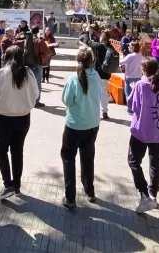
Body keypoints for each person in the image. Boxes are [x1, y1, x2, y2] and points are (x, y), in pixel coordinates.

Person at [0, 45, 38, 199]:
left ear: (7, 57)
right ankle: (16, 185)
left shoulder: (2, 73)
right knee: (18, 152)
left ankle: (8, 184)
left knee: (1, 151)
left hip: (4, 118)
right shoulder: (29, 73)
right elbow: (35, 94)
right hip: (23, 118)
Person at [127, 58, 159, 214]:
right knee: (155, 163)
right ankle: (153, 193)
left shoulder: (140, 85)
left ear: (144, 70)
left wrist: (132, 89)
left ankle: (144, 193)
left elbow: (133, 107)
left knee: (133, 161)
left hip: (142, 131)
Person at [60, 48, 102, 209]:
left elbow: (67, 100)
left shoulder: (73, 78)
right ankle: (89, 190)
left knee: (68, 157)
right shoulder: (96, 76)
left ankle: (70, 197)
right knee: (88, 156)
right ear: (92, 61)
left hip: (74, 124)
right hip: (92, 124)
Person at [94, 32, 116, 120]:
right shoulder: (111, 47)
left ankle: (96, 112)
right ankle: (105, 111)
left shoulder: (100, 47)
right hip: (107, 73)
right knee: (104, 93)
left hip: (99, 73)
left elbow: (89, 43)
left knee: (96, 93)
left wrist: (89, 33)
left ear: (102, 38)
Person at [120, 42, 143, 115]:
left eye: (129, 46)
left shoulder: (130, 56)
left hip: (130, 77)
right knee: (136, 93)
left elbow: (121, 62)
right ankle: (136, 107)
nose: (128, 47)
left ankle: (130, 109)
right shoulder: (140, 56)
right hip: (138, 76)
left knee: (128, 93)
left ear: (133, 47)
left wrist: (120, 57)